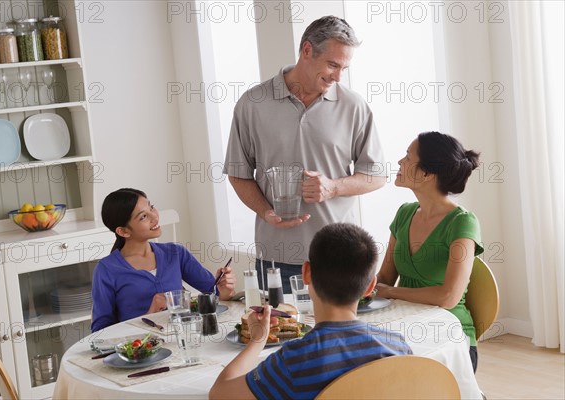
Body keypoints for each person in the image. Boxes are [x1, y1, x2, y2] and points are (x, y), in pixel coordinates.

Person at [223, 16, 386, 293]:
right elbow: (238, 174)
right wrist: (265, 211)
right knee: (281, 334)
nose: (338, 76)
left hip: (340, 255)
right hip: (278, 257)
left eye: (344, 68)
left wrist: (333, 187)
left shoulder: (354, 106)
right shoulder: (253, 104)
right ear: (307, 51)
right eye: (333, 65)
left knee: (340, 336)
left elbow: (377, 175)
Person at [209, 223, 412, 399]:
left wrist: (257, 340)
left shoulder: (293, 361)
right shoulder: (398, 347)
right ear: (370, 286)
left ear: (306, 273)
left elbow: (220, 394)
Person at [375, 131, 483, 372]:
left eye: (407, 156)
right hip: (404, 325)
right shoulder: (404, 213)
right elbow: (383, 279)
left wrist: (390, 292)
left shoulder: (462, 222)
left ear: (426, 173)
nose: (400, 162)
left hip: (449, 335)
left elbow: (448, 297)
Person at [91, 188, 236, 332]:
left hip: (184, 340)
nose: (154, 217)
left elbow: (213, 295)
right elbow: (100, 331)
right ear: (123, 231)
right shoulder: (107, 270)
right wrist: (150, 314)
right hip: (140, 350)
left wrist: (224, 291)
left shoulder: (176, 253)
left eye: (151, 207)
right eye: (143, 217)